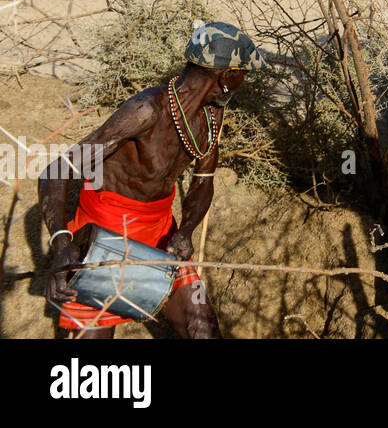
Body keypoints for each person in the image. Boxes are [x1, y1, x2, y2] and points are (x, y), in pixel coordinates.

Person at [39, 21, 267, 338]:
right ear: (226, 75)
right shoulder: (145, 110)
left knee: (201, 326)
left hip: (159, 230)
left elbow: (204, 181)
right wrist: (61, 242)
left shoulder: (212, 114)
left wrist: (185, 231)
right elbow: (56, 170)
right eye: (244, 73)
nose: (245, 81)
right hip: (104, 232)